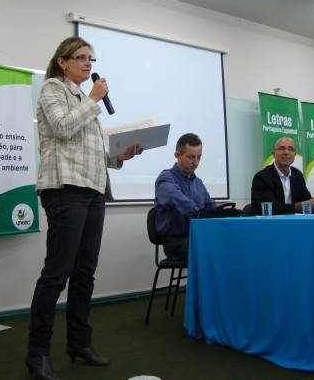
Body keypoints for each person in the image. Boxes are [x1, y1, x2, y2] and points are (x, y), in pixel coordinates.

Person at [26, 36, 143, 380]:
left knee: (84, 273)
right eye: (80, 57)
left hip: (93, 190)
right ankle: (37, 353)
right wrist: (94, 98)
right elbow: (63, 128)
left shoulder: (82, 98)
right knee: (56, 274)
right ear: (62, 62)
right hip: (64, 189)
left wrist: (119, 157)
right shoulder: (53, 88)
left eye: (90, 58)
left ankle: (79, 342)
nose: (88, 63)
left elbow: (90, 151)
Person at [154, 133, 216, 261]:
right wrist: (199, 213)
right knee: (212, 253)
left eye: (199, 157)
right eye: (191, 157)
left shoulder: (198, 182)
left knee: (227, 246)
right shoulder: (166, 178)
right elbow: (176, 198)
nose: (196, 162)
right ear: (177, 155)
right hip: (176, 242)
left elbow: (211, 207)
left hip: (197, 237)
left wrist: (225, 214)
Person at [251, 136, 314, 215]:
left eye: (291, 149)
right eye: (281, 148)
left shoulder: (297, 175)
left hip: (295, 222)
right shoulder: (262, 177)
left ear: (294, 154)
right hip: (270, 222)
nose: (286, 152)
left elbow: (307, 201)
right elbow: (272, 208)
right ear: (273, 153)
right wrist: (302, 205)